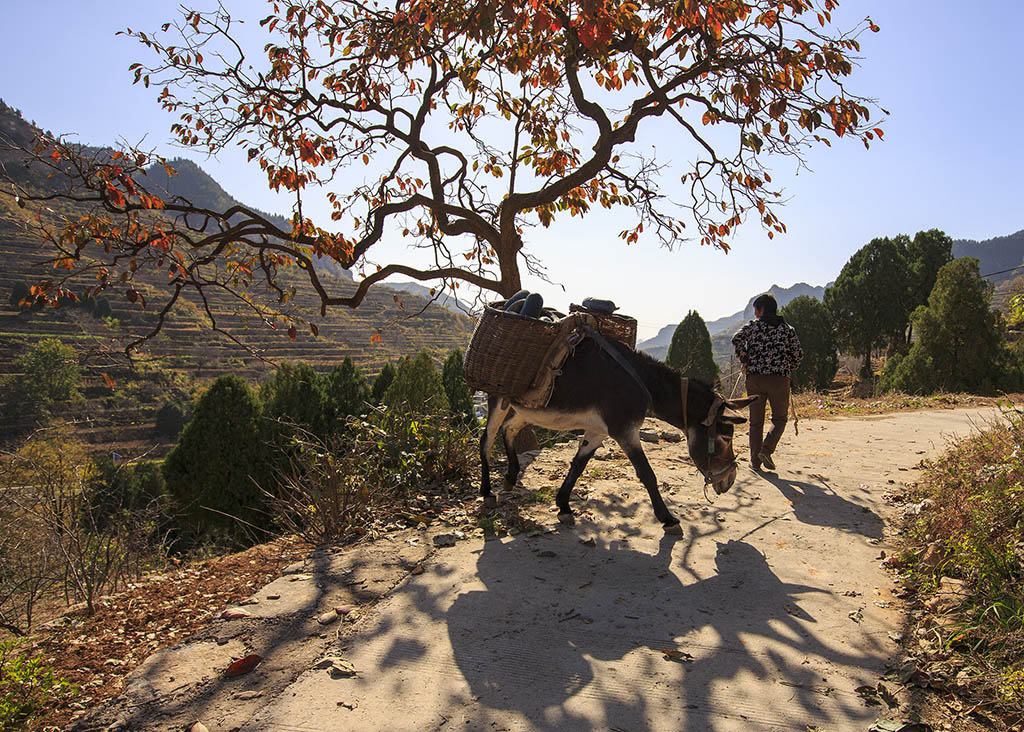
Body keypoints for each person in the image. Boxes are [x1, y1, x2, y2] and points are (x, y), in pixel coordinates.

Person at [731, 293, 803, 471]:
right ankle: (767, 449)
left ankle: (755, 461)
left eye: (756, 308)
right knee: (779, 418)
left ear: (761, 310)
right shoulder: (787, 329)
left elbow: (736, 339)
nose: (755, 312)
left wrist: (745, 359)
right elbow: (798, 354)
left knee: (756, 421)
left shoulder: (753, 327)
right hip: (779, 379)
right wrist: (789, 367)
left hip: (755, 379)